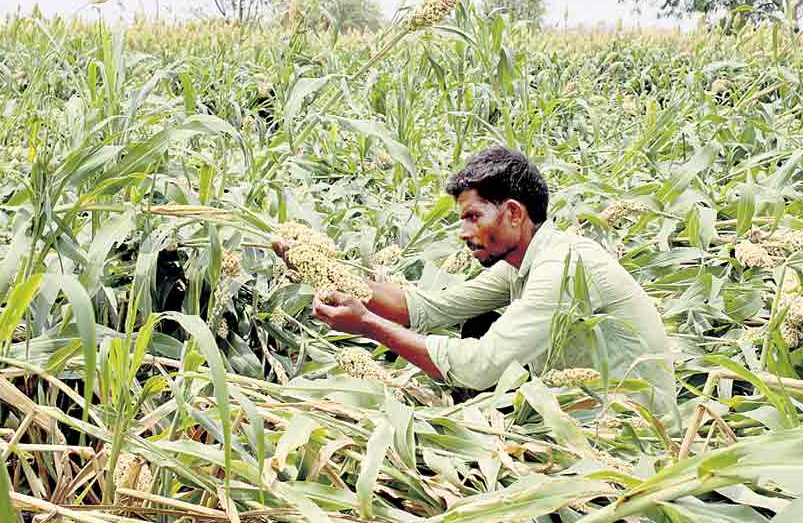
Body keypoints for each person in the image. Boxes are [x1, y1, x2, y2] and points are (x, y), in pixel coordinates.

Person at [275, 146, 676, 416]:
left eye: (473, 217)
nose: (463, 233)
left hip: (626, 433)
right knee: (476, 323)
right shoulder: (524, 260)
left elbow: (481, 368)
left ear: (514, 213)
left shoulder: (562, 269)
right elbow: (427, 308)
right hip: (580, 410)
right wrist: (321, 266)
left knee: (479, 351)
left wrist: (366, 325)